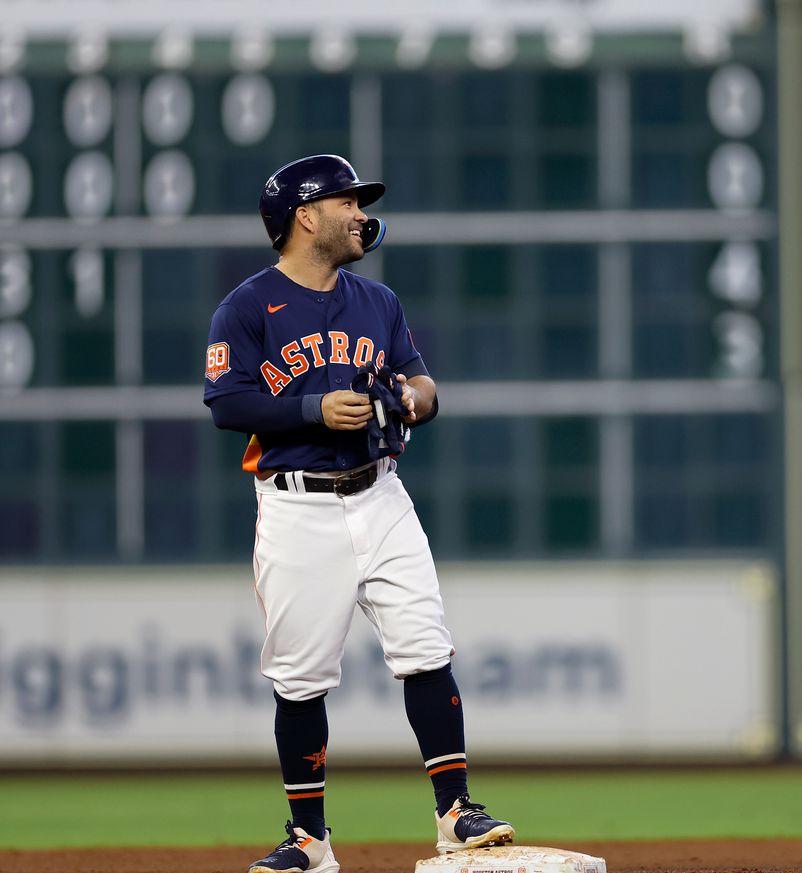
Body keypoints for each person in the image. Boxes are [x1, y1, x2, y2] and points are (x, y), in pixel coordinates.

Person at [204, 155, 515, 873]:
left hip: (381, 494)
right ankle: (310, 839)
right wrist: (313, 407)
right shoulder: (248, 306)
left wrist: (416, 398)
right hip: (296, 506)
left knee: (425, 643)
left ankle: (456, 811)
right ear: (305, 216)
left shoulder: (378, 301)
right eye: (346, 200)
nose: (360, 212)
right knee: (301, 676)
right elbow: (227, 402)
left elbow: (422, 379)